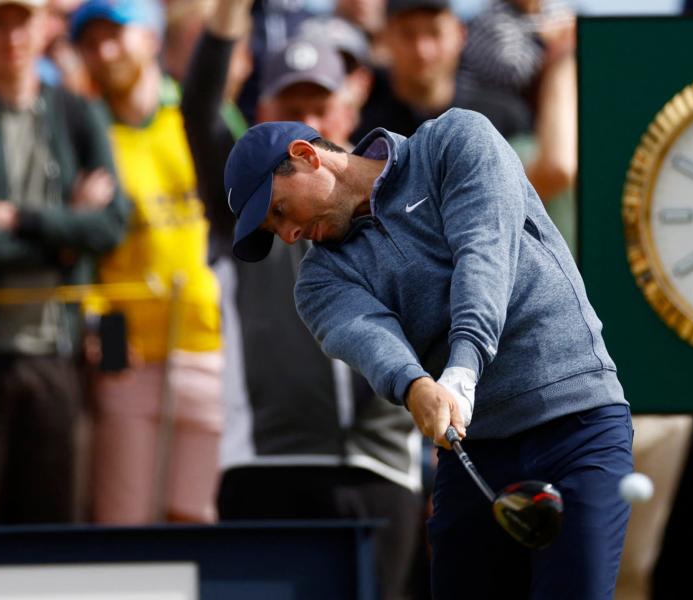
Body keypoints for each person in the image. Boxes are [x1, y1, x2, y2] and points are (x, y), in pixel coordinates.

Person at [224, 109, 634, 598]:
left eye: (279, 211)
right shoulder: (318, 281)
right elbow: (372, 342)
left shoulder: (454, 140)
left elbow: (482, 253)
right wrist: (416, 385)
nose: (287, 234)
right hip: (475, 452)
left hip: (577, 420)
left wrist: (463, 366)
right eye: (274, 229)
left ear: (306, 156)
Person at [181, 3, 423, 598]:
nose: (308, 122)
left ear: (349, 108)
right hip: (265, 469)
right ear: (263, 116)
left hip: (382, 468)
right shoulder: (239, 202)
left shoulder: (400, 189)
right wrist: (228, 17)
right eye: (292, 110)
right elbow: (197, 106)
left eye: (321, 106)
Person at [0, 0, 128, 525]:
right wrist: (65, 235)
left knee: (52, 534)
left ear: (43, 26)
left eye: (23, 19)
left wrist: (22, 220)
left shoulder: (78, 113)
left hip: (60, 354)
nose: (12, 35)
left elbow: (111, 225)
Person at [71, 0, 224, 524]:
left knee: (197, 520)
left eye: (116, 34)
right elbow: (81, 254)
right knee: (123, 523)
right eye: (89, 42)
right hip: (126, 358)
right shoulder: (85, 134)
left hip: (210, 347)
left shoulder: (199, 118)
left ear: (152, 36)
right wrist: (100, 329)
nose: (103, 51)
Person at [351, 0, 529, 144]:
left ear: (460, 35)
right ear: (385, 37)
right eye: (408, 34)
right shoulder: (357, 119)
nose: (422, 50)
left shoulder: (504, 118)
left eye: (435, 33)